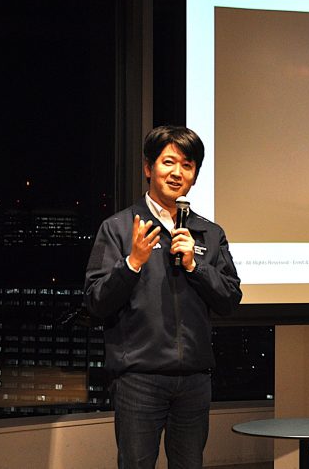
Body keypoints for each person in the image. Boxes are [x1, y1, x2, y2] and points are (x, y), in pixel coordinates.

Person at [85, 125, 242, 469]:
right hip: (138, 378)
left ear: (195, 176)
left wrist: (195, 265)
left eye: (187, 165)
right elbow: (96, 301)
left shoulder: (208, 233)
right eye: (168, 162)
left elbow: (230, 299)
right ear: (148, 167)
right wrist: (132, 263)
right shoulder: (119, 228)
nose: (177, 173)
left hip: (194, 380)